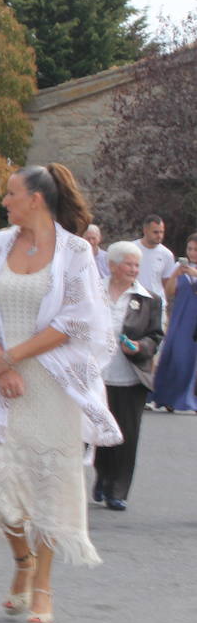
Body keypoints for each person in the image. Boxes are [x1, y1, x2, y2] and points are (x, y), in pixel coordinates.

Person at [0, 164, 120, 623]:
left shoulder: (75, 252)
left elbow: (75, 320)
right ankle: (22, 560)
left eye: (11, 194)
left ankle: (43, 586)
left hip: (52, 383)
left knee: (50, 482)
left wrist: (13, 358)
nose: (4, 202)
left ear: (35, 199)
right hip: (1, 379)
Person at [93, 241, 164, 511]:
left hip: (130, 377)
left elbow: (155, 337)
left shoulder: (148, 299)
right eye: (129, 264)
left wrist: (139, 347)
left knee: (127, 436)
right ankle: (103, 475)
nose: (134, 269)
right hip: (96, 375)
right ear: (112, 265)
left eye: (137, 265)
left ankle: (117, 489)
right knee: (99, 433)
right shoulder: (93, 290)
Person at [150, 232, 197, 412]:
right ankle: (168, 397)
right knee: (176, 356)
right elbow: (169, 292)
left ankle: (187, 399)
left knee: (191, 359)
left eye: (196, 250)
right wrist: (176, 274)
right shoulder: (180, 267)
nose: (192, 253)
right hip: (181, 317)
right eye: (190, 249)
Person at [133, 215, 176, 309]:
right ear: (145, 230)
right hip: (135, 303)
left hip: (158, 304)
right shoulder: (132, 249)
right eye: (155, 232)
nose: (159, 236)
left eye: (162, 232)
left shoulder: (167, 255)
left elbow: (167, 284)